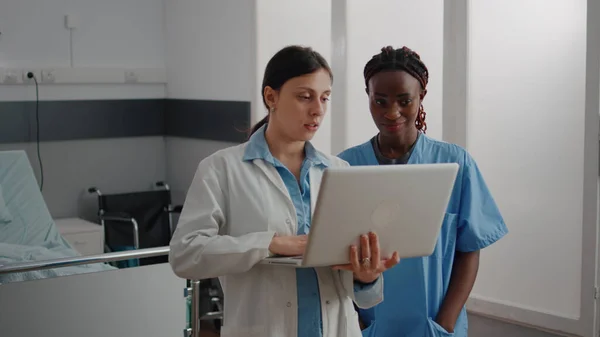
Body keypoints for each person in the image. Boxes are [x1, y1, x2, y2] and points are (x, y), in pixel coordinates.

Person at [169, 45, 400, 337]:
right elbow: (185, 254)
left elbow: (363, 298)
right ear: (271, 97)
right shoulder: (221, 169)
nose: (317, 109)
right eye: (305, 96)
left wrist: (365, 278)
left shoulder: (339, 171)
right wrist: (271, 243)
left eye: (324, 98)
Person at [338, 46, 509, 337]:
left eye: (404, 101)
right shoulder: (344, 167)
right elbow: (337, 255)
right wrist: (356, 321)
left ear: (421, 97)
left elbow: (469, 250)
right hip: (371, 325)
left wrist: (446, 323)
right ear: (367, 97)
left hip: (434, 325)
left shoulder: (455, 164)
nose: (392, 112)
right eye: (379, 101)